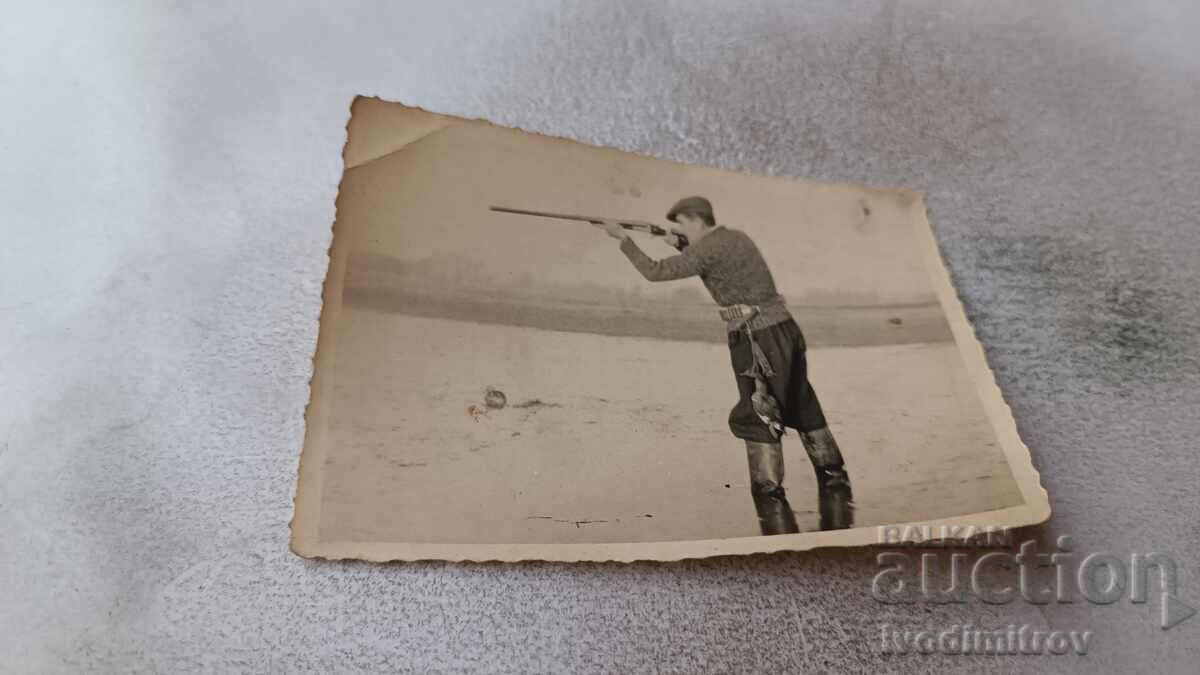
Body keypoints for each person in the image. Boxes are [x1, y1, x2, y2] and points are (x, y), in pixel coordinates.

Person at [595, 196, 853, 534]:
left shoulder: (707, 250)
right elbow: (723, 266)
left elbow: (655, 272)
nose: (677, 230)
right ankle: (836, 488)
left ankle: (770, 502)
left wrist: (623, 240)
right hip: (784, 329)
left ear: (696, 220)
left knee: (759, 411)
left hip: (756, 337)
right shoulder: (736, 238)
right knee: (802, 403)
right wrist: (682, 244)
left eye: (681, 225)